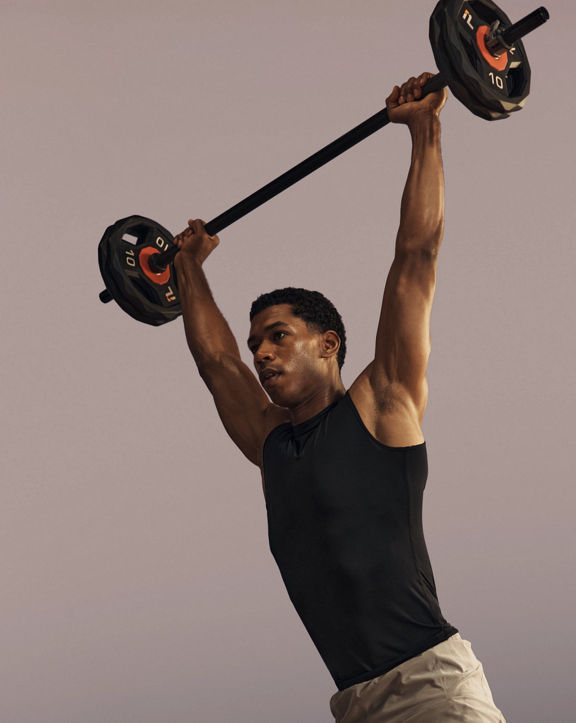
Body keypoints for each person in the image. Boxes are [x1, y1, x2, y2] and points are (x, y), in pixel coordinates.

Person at [173, 72, 506, 722]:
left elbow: (417, 254)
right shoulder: (271, 444)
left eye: (277, 336)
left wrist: (424, 129)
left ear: (328, 343)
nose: (261, 354)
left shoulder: (384, 402)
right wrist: (186, 270)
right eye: (256, 344)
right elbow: (216, 363)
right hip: (358, 705)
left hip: (432, 688)